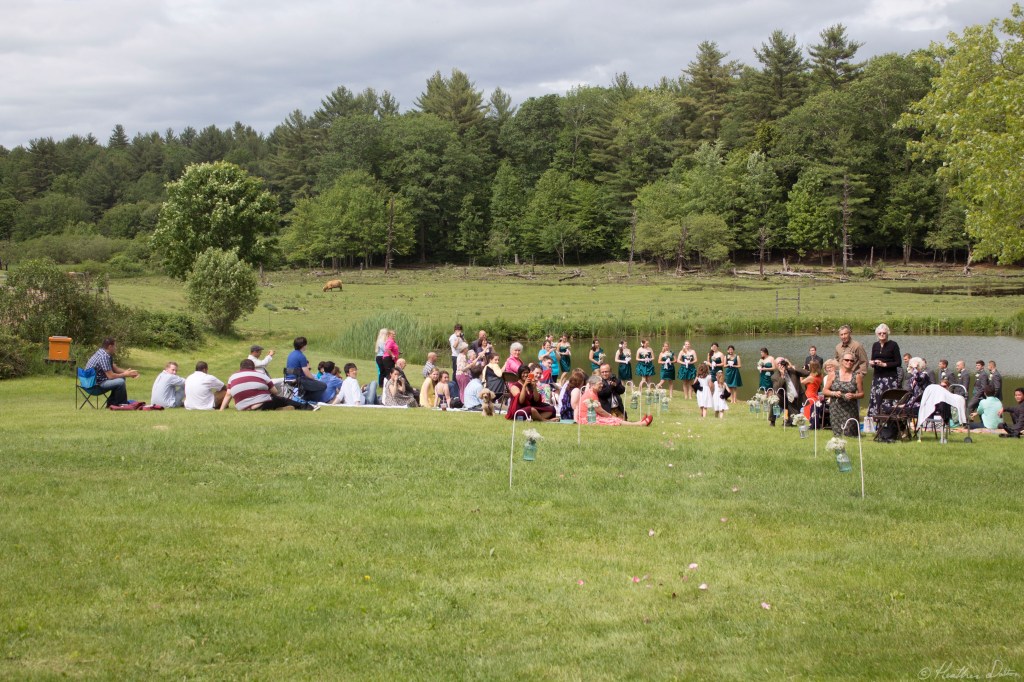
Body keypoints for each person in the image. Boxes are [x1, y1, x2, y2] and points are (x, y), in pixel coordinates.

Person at [220, 359, 315, 411]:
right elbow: (275, 391)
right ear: (253, 368)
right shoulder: (260, 374)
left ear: (240, 368)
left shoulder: (232, 377)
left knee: (274, 401)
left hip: (243, 408)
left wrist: (221, 410)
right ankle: (307, 407)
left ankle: (279, 408)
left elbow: (228, 395)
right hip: (261, 404)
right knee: (282, 399)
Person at [575, 375, 652, 426]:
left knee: (614, 419)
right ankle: (640, 424)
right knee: (613, 420)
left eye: (602, 383)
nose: (602, 385)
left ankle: (639, 422)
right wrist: (610, 416)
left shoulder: (593, 392)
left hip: (590, 417)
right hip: (587, 419)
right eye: (599, 384)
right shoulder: (591, 394)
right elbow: (599, 410)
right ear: (592, 385)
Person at [84, 336, 140, 406]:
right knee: (120, 382)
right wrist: (126, 374)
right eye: (115, 346)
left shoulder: (101, 353)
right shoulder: (104, 357)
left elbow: (115, 369)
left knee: (121, 379)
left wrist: (128, 372)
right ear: (110, 346)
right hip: (94, 386)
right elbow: (111, 376)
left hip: (89, 383)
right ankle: (120, 404)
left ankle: (112, 403)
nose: (115, 348)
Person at [824, 352, 864, 436]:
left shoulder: (857, 376)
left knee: (849, 434)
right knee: (838, 434)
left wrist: (854, 395)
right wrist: (834, 393)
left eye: (852, 361)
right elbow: (825, 390)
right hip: (836, 408)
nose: (849, 362)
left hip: (850, 409)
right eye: (847, 360)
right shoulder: (833, 374)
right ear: (842, 361)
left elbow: (862, 394)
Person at [868, 324, 901, 417]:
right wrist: (872, 363)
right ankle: (876, 418)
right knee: (877, 398)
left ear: (888, 334)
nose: (882, 335)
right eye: (880, 333)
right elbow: (873, 359)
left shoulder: (893, 345)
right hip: (877, 377)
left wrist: (884, 364)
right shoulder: (875, 345)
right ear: (877, 334)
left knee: (889, 399)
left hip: (890, 378)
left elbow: (898, 362)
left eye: (884, 333)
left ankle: (890, 418)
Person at [770, 357, 809, 426]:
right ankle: (772, 421)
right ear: (776, 366)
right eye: (778, 363)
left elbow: (806, 373)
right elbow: (776, 388)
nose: (781, 364)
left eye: (782, 362)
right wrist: (782, 375)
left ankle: (787, 422)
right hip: (784, 399)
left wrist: (791, 366)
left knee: (793, 421)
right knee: (774, 399)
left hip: (795, 399)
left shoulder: (792, 369)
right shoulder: (775, 376)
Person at [801, 360, 823, 424]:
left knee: (808, 414)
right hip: (815, 395)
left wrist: (802, 373)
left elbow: (802, 382)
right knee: (813, 412)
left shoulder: (811, 377)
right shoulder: (820, 375)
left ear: (812, 367)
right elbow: (812, 373)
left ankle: (809, 425)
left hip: (809, 396)